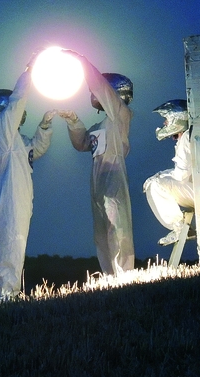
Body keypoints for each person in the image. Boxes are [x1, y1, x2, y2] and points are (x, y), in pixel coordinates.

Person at [0, 54, 55, 301]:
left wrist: (45, 125)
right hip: (9, 193)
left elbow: (36, 150)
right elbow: (17, 102)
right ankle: (5, 295)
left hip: (20, 194)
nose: (20, 114)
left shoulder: (16, 140)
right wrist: (29, 72)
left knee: (16, 243)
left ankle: (9, 292)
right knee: (9, 243)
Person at [57, 50, 135, 275]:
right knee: (102, 230)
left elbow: (102, 89)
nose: (93, 94)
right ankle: (110, 274)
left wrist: (83, 62)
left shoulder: (120, 114)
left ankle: (124, 272)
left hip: (114, 172)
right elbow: (82, 143)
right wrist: (72, 120)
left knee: (117, 224)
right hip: (98, 176)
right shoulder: (101, 126)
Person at [143, 99, 195, 246]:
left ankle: (179, 228)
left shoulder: (186, 139)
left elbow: (180, 175)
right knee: (156, 181)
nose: (165, 124)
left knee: (155, 185)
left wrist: (158, 177)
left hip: (199, 191)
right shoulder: (188, 136)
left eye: (167, 119)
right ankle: (181, 228)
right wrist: (161, 174)